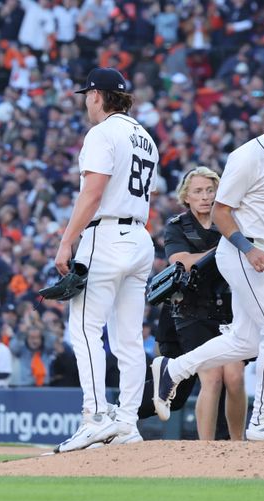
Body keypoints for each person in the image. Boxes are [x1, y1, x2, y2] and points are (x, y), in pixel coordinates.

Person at [152, 87, 264, 441]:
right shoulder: (247, 157)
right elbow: (221, 211)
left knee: (246, 341)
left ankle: (173, 369)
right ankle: (262, 420)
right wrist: (248, 249)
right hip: (243, 251)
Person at [53, 67, 158, 452]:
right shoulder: (145, 136)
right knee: (129, 338)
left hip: (107, 234)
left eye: (87, 94)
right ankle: (127, 422)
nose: (85, 101)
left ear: (97, 95)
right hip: (139, 237)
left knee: (83, 329)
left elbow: (93, 191)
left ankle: (95, 416)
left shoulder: (102, 133)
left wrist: (67, 241)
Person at [148, 166, 246, 440]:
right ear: (186, 197)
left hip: (230, 308)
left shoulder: (231, 220)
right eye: (198, 191)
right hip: (192, 311)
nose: (205, 197)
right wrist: (226, 247)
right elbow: (183, 263)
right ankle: (207, 450)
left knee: (236, 377)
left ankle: (240, 446)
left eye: (210, 190)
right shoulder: (177, 226)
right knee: (212, 376)